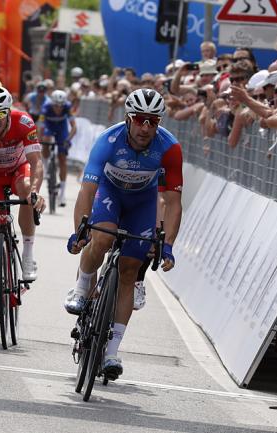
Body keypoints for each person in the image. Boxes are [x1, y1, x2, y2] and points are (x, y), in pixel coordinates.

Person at [65, 88, 183, 380]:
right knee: (101, 238)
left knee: (130, 268)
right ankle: (82, 287)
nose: (146, 128)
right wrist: (80, 229)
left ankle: (112, 352)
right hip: (110, 194)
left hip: (142, 202)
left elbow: (173, 201)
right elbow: (87, 189)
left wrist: (167, 245)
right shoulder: (108, 140)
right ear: (129, 118)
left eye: (153, 122)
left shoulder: (169, 147)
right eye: (140, 120)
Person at [0, 86, 46, 320]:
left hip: (17, 170)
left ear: (8, 110)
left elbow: (36, 162)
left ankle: (27, 254)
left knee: (26, 191)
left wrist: (35, 191)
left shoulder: (23, 121)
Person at [37, 89, 77, 207]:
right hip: (49, 126)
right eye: (56, 105)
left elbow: (74, 127)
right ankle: (45, 164)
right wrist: (39, 140)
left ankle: (62, 194)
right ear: (52, 103)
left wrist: (68, 140)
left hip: (61, 129)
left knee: (62, 159)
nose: (58, 108)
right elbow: (40, 126)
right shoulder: (46, 107)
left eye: (61, 106)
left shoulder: (67, 107)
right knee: (46, 140)